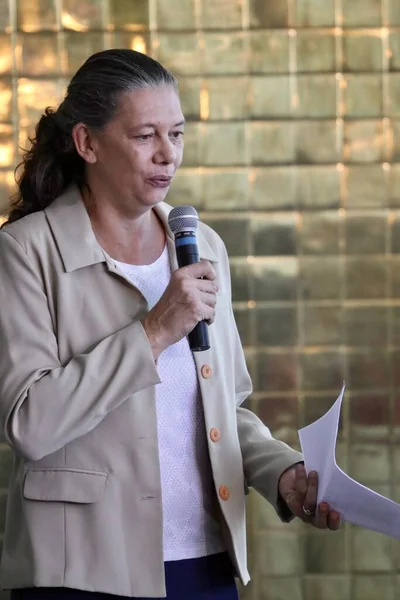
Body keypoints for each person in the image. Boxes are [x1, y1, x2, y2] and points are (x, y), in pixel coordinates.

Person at [0, 49, 340, 600]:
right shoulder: (24, 252)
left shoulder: (202, 246)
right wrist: (154, 331)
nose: (167, 155)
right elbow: (29, 424)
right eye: (144, 137)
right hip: (80, 572)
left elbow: (224, 411)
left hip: (203, 565)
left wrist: (282, 473)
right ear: (87, 143)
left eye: (177, 134)